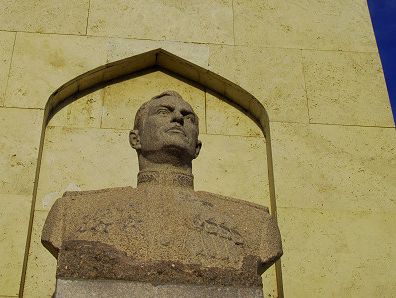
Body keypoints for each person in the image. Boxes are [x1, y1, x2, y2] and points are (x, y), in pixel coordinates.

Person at [42, 91, 282, 285]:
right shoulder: (73, 213)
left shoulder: (254, 224)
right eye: (164, 112)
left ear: (197, 147)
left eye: (188, 117)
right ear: (135, 139)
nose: (178, 117)